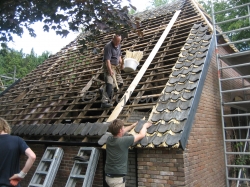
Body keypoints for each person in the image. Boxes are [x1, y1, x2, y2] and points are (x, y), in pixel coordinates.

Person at [105, 119, 152, 187]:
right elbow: (141, 135)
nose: (124, 128)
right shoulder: (124, 141)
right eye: (123, 127)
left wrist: (132, 126)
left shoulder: (109, 139)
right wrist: (145, 126)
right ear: (120, 130)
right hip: (117, 179)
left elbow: (120, 132)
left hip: (108, 177)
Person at [0, 117, 36, 187]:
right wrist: (21, 175)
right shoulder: (17, 140)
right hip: (11, 184)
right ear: (5, 127)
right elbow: (32, 156)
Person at [100, 34, 124, 108]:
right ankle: (104, 102)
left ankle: (103, 90)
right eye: (116, 41)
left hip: (116, 67)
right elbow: (107, 60)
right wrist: (110, 71)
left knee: (120, 84)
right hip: (109, 66)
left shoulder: (118, 45)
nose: (118, 43)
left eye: (119, 41)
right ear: (113, 39)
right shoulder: (108, 47)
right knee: (110, 84)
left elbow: (119, 56)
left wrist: (121, 63)